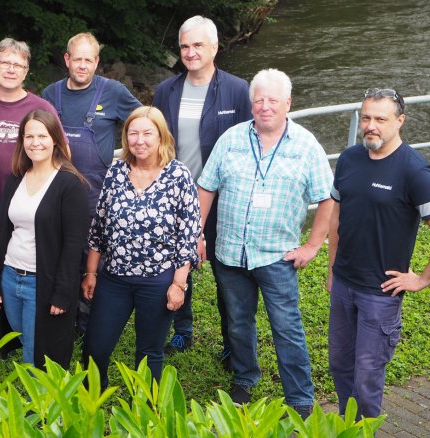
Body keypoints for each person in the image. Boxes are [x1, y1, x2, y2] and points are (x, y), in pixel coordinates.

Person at [197, 69, 333, 418]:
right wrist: (197, 234)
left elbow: (329, 198)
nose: (265, 106)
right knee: (239, 322)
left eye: (273, 100)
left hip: (276, 256)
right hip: (229, 252)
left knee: (286, 327)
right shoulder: (231, 139)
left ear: (288, 103)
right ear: (251, 103)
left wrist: (313, 246)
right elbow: (207, 188)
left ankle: (300, 399)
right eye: (259, 99)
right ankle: (245, 378)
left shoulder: (305, 145)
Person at [328, 88, 430, 419]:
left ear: (400, 121)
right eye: (366, 117)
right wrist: (331, 270)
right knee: (340, 366)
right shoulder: (349, 158)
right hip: (344, 285)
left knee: (366, 377)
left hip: (380, 294)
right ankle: (349, 426)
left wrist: (422, 279)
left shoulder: (414, 170)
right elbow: (336, 216)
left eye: (381, 119)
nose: (371, 126)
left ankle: (365, 428)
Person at [151, 15, 252, 363]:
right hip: (177, 198)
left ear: (214, 48)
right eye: (184, 46)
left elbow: (248, 147)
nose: (190, 52)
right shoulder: (166, 91)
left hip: (223, 199)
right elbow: (159, 145)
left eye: (197, 45)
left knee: (227, 272)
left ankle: (230, 341)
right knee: (176, 265)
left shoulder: (238, 90)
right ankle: (183, 330)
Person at [82, 106, 201, 388]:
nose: (140, 140)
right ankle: (90, 408)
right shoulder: (116, 171)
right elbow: (99, 224)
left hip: (158, 280)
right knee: (94, 349)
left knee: (148, 353)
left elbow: (188, 234)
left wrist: (179, 284)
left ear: (161, 137)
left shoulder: (178, 175)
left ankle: (147, 416)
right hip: (115, 278)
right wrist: (90, 273)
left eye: (148, 133)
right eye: (133, 133)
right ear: (125, 138)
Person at [42, 32, 141, 334]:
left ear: (96, 62)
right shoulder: (50, 95)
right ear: (67, 59)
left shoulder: (113, 91)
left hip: (97, 198)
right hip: (56, 196)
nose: (82, 65)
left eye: (89, 59)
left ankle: (90, 326)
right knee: (60, 260)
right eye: (77, 59)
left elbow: (144, 124)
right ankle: (62, 321)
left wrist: (132, 166)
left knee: (93, 265)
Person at [0, 37, 60, 358]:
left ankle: (22, 340)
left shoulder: (41, 108)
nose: (10, 69)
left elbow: (58, 153)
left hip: (26, 209)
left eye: (18, 65)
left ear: (26, 71)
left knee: (18, 270)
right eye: (5, 63)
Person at [0, 110, 88, 369]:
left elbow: (73, 245)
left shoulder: (70, 184)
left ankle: (39, 407)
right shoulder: (16, 178)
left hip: (42, 281)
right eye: (29, 136)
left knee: (36, 351)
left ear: (56, 139)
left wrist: (64, 294)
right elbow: (2, 231)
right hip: (10, 276)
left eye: (42, 135)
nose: (35, 142)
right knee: (21, 336)